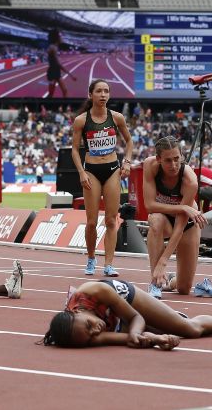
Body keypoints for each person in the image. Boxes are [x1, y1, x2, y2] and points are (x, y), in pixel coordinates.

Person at [39, 279, 212, 348]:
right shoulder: (83, 335)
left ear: (77, 313)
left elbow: (136, 318)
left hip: (124, 299)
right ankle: (165, 323)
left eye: (89, 325)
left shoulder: (95, 291)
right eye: (91, 336)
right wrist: (155, 339)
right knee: (162, 331)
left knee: (189, 329)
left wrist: (139, 331)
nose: (95, 330)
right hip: (115, 319)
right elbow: (127, 339)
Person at [142, 135, 212, 299]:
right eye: (167, 160)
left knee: (184, 289)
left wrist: (163, 262)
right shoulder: (150, 166)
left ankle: (172, 280)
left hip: (186, 224)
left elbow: (179, 228)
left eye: (176, 159)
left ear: (182, 157)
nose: (173, 165)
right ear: (158, 159)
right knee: (156, 220)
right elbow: (150, 206)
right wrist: (183, 207)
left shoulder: (190, 181)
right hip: (163, 217)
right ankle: (155, 283)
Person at [72, 79, 134, 278]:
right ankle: (91, 258)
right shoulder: (81, 120)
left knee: (110, 220)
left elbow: (129, 141)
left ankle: (108, 264)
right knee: (91, 222)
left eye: (106, 91)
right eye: (99, 91)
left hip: (113, 170)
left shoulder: (117, 118)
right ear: (91, 95)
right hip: (91, 171)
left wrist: (127, 162)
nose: (103, 95)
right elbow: (74, 149)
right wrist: (81, 172)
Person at [46, 29, 77, 98]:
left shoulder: (55, 47)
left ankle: (64, 107)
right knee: (51, 94)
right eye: (60, 36)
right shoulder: (52, 47)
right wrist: (70, 75)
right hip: (52, 72)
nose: (61, 38)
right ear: (56, 38)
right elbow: (58, 64)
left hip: (56, 71)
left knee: (65, 91)